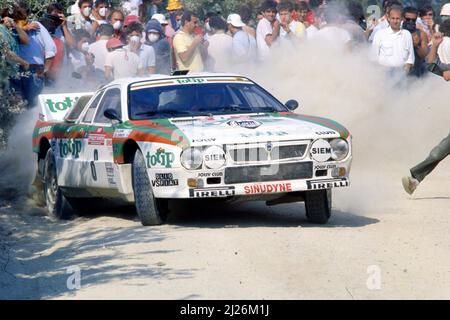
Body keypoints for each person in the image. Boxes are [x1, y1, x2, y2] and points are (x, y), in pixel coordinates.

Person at [14, 1, 57, 107]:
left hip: (33, 70)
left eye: (22, 14)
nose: (20, 18)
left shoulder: (36, 26)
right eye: (16, 14)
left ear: (27, 13)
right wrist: (22, 29)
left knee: (33, 106)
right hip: (13, 71)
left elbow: (51, 49)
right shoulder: (8, 26)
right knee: (16, 106)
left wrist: (45, 70)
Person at [371, 5, 415, 77]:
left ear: (402, 19)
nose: (395, 21)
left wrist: (405, 71)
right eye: (393, 18)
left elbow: (410, 57)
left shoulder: (407, 34)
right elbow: (373, 57)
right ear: (388, 18)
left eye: (397, 18)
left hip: (402, 73)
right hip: (383, 73)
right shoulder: (380, 34)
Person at [402, 7, 428, 78]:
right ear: (403, 18)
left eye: (413, 20)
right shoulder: (396, 32)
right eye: (408, 19)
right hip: (398, 72)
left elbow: (424, 55)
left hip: (416, 74)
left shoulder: (421, 34)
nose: (410, 22)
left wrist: (416, 46)